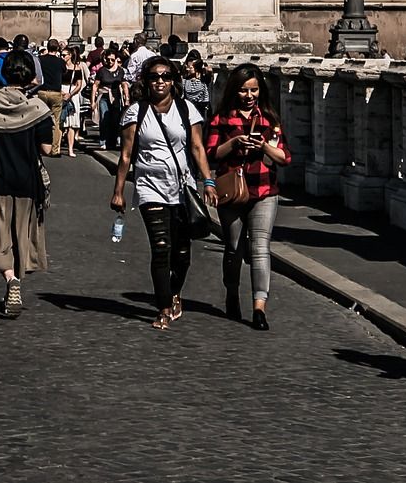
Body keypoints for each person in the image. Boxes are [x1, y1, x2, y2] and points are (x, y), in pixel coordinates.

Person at [112, 56, 217, 330]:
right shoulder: (135, 112)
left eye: (166, 76)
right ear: (146, 81)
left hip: (183, 189)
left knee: (182, 254)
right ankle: (164, 307)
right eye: (155, 77)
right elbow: (125, 156)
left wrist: (208, 181)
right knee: (161, 248)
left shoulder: (188, 110)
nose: (160, 81)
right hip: (149, 187)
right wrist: (119, 191)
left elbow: (197, 148)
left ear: (174, 81)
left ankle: (174, 292)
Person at [207, 63, 291, 328]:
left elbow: (285, 157)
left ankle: (259, 308)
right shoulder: (221, 118)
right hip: (232, 191)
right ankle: (232, 292)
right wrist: (233, 143)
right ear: (235, 90)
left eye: (253, 90)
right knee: (233, 248)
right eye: (244, 90)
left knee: (260, 248)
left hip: (264, 189)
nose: (249, 95)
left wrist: (264, 145)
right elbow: (210, 155)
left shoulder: (270, 120)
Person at [0, 52, 53, 317]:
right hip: (27, 181)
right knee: (21, 236)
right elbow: (47, 149)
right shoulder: (38, 107)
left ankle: (9, 278)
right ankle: (16, 280)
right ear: (30, 75)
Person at [59, 46, 87, 157]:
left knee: (71, 124)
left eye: (64, 55)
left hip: (72, 94)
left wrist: (70, 94)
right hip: (61, 92)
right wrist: (62, 93)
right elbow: (56, 81)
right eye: (61, 55)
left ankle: (70, 149)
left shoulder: (77, 69)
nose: (62, 57)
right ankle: (58, 147)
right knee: (61, 122)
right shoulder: (60, 68)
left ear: (70, 55)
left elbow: (79, 84)